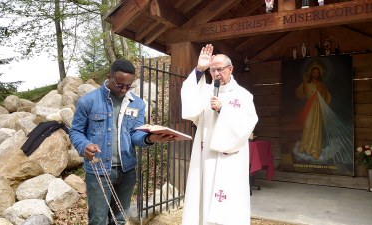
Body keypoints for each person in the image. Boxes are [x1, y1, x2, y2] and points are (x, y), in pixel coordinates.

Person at [69, 59, 176, 225]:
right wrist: (84, 146)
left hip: (127, 170)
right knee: (98, 220)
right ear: (109, 77)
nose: (124, 90)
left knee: (119, 220)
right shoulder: (88, 101)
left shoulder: (138, 104)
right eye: (120, 85)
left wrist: (150, 138)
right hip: (99, 170)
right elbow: (75, 131)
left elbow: (135, 135)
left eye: (129, 86)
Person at [181, 44, 258, 225]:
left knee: (229, 201)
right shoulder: (206, 91)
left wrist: (224, 109)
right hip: (205, 156)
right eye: (212, 70)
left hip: (230, 159)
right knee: (204, 196)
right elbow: (190, 107)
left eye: (220, 69)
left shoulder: (243, 95)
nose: (215, 74)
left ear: (230, 69)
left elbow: (248, 124)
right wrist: (200, 69)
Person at [295, 64, 331, 160]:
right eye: (314, 72)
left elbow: (327, 96)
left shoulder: (321, 85)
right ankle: (304, 146)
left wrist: (321, 95)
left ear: (319, 74)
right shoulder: (307, 83)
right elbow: (301, 93)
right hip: (309, 107)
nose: (315, 74)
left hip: (318, 107)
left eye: (317, 73)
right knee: (308, 125)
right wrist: (303, 82)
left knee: (317, 127)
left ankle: (315, 150)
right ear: (311, 73)